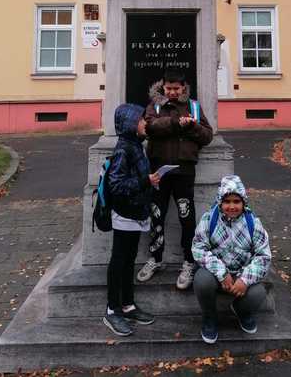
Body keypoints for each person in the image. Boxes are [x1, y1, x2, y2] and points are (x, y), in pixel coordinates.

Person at [136, 70, 213, 290]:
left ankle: (189, 261)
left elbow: (207, 136)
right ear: (163, 87)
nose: (172, 92)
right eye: (168, 88)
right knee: (156, 215)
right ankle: (155, 258)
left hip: (184, 170)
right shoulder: (155, 106)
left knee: (186, 217)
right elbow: (149, 127)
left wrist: (192, 126)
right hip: (158, 170)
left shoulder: (194, 107)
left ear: (183, 88)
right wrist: (176, 123)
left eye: (176, 89)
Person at [191, 175, 272, 344]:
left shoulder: (253, 223)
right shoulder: (209, 219)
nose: (232, 206)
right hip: (215, 275)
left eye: (237, 201)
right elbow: (198, 248)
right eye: (227, 201)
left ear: (244, 203)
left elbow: (263, 256)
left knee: (258, 293)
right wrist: (221, 273)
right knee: (202, 280)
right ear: (220, 202)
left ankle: (241, 310)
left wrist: (244, 279)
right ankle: (209, 317)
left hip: (240, 276)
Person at [104, 103, 160, 336]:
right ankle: (112, 310)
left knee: (129, 260)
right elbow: (116, 185)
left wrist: (150, 180)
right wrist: (146, 181)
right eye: (140, 119)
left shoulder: (136, 145)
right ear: (129, 124)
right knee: (119, 260)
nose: (145, 122)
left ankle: (127, 305)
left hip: (137, 212)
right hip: (125, 213)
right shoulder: (123, 149)